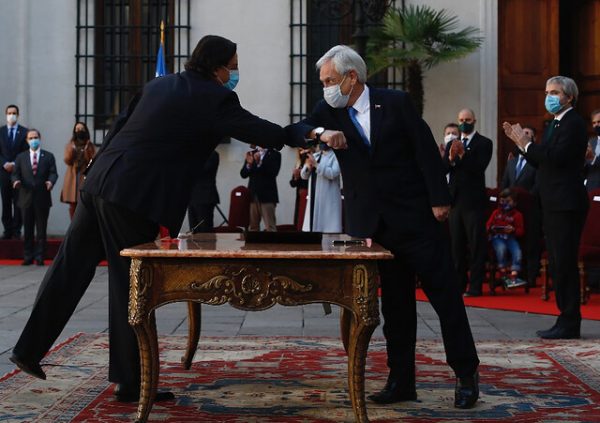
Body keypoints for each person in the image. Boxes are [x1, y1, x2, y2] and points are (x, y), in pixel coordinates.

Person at [9, 35, 301, 402]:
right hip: (134, 198)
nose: (235, 73)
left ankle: (28, 350)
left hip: (99, 184)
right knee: (132, 286)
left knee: (69, 268)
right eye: (233, 66)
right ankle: (131, 382)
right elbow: (259, 130)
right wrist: (302, 132)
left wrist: (95, 172)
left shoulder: (159, 84)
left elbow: (118, 126)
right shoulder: (215, 97)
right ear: (217, 68)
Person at [286, 45, 479, 409]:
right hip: (375, 228)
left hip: (416, 218)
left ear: (351, 77)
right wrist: (322, 134)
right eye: (323, 82)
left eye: (329, 80)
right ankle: (401, 381)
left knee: (446, 300)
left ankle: (466, 374)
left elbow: (424, 149)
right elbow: (295, 130)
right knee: (396, 306)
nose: (326, 88)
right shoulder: (329, 111)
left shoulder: (395, 103)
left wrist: (439, 199)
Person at [503, 75, 588, 339]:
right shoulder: (554, 124)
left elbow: (556, 158)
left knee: (564, 262)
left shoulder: (574, 123)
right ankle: (564, 318)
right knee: (556, 262)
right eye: (547, 92)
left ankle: (570, 321)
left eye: (555, 92)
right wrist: (523, 146)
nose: (549, 97)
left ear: (569, 97)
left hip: (566, 203)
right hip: (552, 202)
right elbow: (542, 161)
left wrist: (526, 143)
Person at [444, 108, 493, 297]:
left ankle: (475, 287)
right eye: (461, 120)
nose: (464, 123)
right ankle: (458, 285)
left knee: (476, 246)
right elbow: (443, 169)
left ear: (474, 121)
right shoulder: (452, 144)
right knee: (456, 247)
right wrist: (450, 158)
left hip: (473, 203)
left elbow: (479, 168)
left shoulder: (484, 143)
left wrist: (463, 155)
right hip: (455, 202)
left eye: (468, 120)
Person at [501, 126, 542, 288]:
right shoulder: (511, 162)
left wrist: (525, 199)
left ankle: (531, 276)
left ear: (533, 139)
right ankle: (515, 276)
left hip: (531, 210)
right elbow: (505, 184)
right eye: (521, 133)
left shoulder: (536, 162)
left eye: (527, 133)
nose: (522, 135)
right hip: (512, 211)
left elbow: (538, 185)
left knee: (531, 244)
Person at [11, 129, 58, 266]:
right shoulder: (21, 157)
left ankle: (40, 256)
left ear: (40, 138)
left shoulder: (48, 156)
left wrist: (51, 182)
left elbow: (53, 173)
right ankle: (28, 256)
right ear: (27, 140)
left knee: (41, 230)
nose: (33, 140)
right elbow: (15, 173)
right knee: (28, 229)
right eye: (31, 138)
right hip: (25, 198)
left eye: (35, 137)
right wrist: (16, 181)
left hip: (42, 198)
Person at [486, 188, 527, 289]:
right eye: (502, 201)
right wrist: (492, 228)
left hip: (510, 237)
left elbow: (521, 231)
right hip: (497, 237)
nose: (505, 203)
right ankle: (503, 273)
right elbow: (487, 226)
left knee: (517, 251)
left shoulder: (517, 215)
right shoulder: (496, 213)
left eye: (508, 201)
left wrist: (513, 230)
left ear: (514, 203)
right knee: (501, 248)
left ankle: (514, 276)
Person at [0, 105, 29, 239]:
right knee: (6, 202)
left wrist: (14, 164)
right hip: (4, 173)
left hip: (19, 173)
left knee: (18, 202)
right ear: (6, 114)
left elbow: (26, 152)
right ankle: (7, 230)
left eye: (14, 113)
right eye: (9, 113)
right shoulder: (1, 131)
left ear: (18, 115)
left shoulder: (24, 132)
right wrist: (4, 163)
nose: (11, 115)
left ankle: (17, 230)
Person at [300, 142, 342, 232]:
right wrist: (308, 168)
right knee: (312, 226)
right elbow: (303, 176)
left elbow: (333, 173)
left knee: (327, 229)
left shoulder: (336, 156)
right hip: (314, 196)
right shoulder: (315, 156)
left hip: (328, 198)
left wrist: (316, 165)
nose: (322, 144)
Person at [240, 145, 281, 231]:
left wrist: (259, 163)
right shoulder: (251, 153)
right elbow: (243, 174)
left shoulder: (275, 154)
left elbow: (273, 172)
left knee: (270, 227)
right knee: (253, 227)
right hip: (253, 195)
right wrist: (249, 164)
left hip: (267, 196)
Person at [60, 122, 96, 219]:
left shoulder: (90, 145)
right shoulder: (70, 145)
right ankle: (73, 225)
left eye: (81, 129)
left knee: (84, 204)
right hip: (72, 177)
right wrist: (72, 150)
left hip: (84, 176)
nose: (79, 131)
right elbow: (67, 160)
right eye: (77, 129)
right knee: (72, 205)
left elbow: (92, 161)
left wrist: (86, 150)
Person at [187, 150, 220, 232]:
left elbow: (203, 170)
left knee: (204, 230)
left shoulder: (212, 154)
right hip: (192, 197)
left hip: (205, 197)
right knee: (193, 230)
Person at [289, 148, 309, 230]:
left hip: (307, 193)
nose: (301, 152)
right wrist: (296, 178)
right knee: (299, 217)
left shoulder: (309, 161)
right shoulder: (298, 163)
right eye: (300, 150)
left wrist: (301, 174)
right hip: (299, 194)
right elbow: (292, 183)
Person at [584, 109, 600, 192]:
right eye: (594, 123)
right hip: (591, 187)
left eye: (599, 122)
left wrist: (593, 158)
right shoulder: (590, 142)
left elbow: (593, 159)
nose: (596, 125)